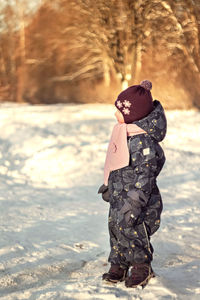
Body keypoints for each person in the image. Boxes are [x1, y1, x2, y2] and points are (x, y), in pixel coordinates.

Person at [98, 80, 167, 288]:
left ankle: (140, 266)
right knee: (117, 229)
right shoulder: (125, 133)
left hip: (138, 200)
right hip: (120, 195)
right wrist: (110, 185)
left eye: (119, 110)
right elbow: (117, 164)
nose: (115, 114)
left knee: (134, 229)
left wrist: (135, 202)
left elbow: (144, 177)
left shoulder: (143, 142)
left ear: (133, 114)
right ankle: (118, 263)